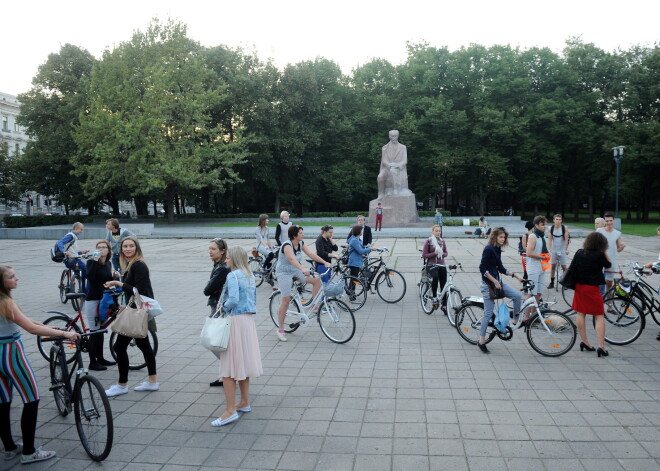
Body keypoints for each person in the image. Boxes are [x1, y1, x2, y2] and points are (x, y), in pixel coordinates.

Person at [0, 265, 79, 464]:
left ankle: (9, 447)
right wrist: (64, 333)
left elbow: (24, 319)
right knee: (31, 398)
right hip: (11, 353)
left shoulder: (4, 301)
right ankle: (29, 452)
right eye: (11, 277)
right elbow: (28, 327)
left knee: (3, 402)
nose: (17, 279)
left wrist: (46, 327)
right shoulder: (5, 302)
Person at [211, 246, 263, 427]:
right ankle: (245, 402)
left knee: (229, 368)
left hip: (234, 322)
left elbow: (232, 299)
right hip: (247, 322)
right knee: (243, 365)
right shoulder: (249, 276)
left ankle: (230, 410)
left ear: (234, 258)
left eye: (228, 258)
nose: (226, 261)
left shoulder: (232, 276)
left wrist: (222, 307)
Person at [103, 237, 158, 396]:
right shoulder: (131, 264)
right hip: (136, 310)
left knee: (119, 347)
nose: (127, 249)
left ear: (137, 248)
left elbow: (138, 289)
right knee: (144, 346)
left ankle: (122, 385)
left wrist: (118, 284)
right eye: (125, 246)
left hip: (136, 312)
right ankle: (152, 381)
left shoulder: (138, 265)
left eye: (131, 246)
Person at [275, 226, 331, 342]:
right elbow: (291, 259)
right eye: (301, 233)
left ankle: (314, 307)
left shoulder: (301, 243)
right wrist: (303, 269)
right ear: (294, 235)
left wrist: (325, 262)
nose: (303, 235)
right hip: (284, 272)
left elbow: (312, 255)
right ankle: (280, 330)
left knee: (316, 280)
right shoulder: (287, 245)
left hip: (295, 270)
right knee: (285, 300)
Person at [477, 228, 524, 353]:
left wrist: (516, 276)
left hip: (498, 283)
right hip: (488, 286)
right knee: (488, 313)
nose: (503, 239)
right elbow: (483, 268)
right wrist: (495, 281)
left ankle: (515, 322)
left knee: (517, 296)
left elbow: (501, 268)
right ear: (495, 237)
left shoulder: (497, 249)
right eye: (501, 237)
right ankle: (481, 341)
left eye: (504, 237)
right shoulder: (488, 249)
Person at [571, 232, 612, 357]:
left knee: (580, 313)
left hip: (579, 287)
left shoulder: (579, 252)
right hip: (593, 288)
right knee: (599, 316)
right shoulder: (600, 255)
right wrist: (604, 252)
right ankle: (601, 346)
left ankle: (585, 342)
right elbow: (609, 264)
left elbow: (573, 267)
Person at [84, 240, 119, 371]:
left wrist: (114, 276)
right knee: (94, 331)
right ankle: (92, 362)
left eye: (104, 247)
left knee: (101, 330)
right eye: (99, 247)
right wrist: (94, 260)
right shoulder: (91, 263)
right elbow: (90, 277)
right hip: (93, 300)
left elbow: (106, 281)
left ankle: (101, 358)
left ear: (109, 251)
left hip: (104, 300)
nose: (101, 249)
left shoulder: (108, 264)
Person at [203, 238, 229, 387]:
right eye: (209, 249)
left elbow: (207, 290)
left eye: (213, 249)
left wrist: (209, 287)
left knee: (214, 341)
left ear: (222, 251)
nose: (210, 252)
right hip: (218, 305)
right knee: (218, 342)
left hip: (219, 307)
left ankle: (229, 371)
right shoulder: (219, 266)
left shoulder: (222, 268)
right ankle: (224, 375)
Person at [525, 216, 551, 310]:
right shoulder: (533, 236)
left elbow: (543, 250)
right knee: (532, 293)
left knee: (539, 293)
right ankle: (526, 317)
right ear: (536, 225)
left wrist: (547, 255)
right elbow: (529, 253)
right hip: (533, 267)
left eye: (545, 224)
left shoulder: (542, 236)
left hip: (541, 266)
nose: (545, 226)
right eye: (542, 224)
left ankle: (534, 314)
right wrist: (542, 257)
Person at [377, 130, 412, 198]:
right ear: (389, 136)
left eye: (395, 136)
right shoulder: (385, 147)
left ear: (398, 136)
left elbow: (405, 161)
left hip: (398, 168)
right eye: (392, 136)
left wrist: (398, 165)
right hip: (387, 168)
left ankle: (396, 190)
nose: (394, 138)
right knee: (380, 177)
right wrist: (390, 166)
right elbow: (384, 160)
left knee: (394, 171)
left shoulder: (403, 147)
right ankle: (381, 194)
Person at [56, 222, 89, 292]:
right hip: (71, 259)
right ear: (76, 228)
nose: (82, 231)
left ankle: (77, 285)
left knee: (80, 272)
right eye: (81, 229)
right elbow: (59, 242)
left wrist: (81, 252)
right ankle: (84, 289)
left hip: (72, 258)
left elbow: (72, 251)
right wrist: (64, 251)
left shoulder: (73, 237)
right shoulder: (71, 236)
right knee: (85, 269)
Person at [597, 213, 626, 292]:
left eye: (611, 221)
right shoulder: (600, 231)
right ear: (605, 221)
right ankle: (598, 299)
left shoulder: (617, 233)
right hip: (599, 259)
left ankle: (609, 302)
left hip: (611, 260)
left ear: (613, 221)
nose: (609, 223)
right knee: (597, 281)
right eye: (607, 221)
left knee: (609, 282)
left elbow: (618, 249)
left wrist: (622, 247)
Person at [421, 225, 448, 306]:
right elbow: (424, 254)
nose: (438, 232)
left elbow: (446, 253)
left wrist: (442, 253)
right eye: (436, 231)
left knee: (444, 284)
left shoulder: (442, 241)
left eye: (439, 231)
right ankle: (434, 297)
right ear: (432, 231)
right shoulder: (428, 241)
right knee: (435, 277)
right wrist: (434, 253)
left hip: (441, 264)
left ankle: (444, 305)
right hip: (431, 264)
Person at [547, 214, 570, 289]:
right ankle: (552, 282)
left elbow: (566, 239)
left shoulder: (564, 228)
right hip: (554, 249)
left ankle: (565, 283)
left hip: (562, 249)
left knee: (564, 267)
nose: (558, 221)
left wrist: (566, 249)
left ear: (561, 220)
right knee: (553, 266)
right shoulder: (551, 228)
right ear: (553, 220)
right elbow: (550, 240)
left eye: (559, 219)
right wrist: (549, 249)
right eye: (556, 219)